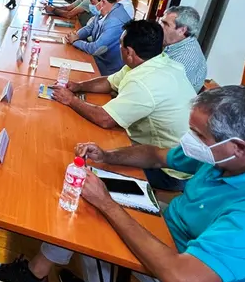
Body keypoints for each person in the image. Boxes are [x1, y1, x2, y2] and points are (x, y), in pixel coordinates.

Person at [0, 85, 245, 282]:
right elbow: (157, 155)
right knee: (92, 206)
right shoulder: (226, 154)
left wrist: (108, 204)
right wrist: (106, 156)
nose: (189, 140)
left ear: (240, 147)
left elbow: (181, 278)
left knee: (96, 216)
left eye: (198, 135)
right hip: (172, 230)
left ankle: (70, 281)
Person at [55, 19, 197, 190]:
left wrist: (71, 100)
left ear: (129, 52)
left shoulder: (145, 81)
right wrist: (79, 87)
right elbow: (109, 82)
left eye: (120, 45)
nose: (119, 48)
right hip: (157, 151)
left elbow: (105, 119)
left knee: (80, 161)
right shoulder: (156, 62)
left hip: (168, 170)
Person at [63, 0, 132, 75]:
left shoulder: (115, 21)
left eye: (92, 2)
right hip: (98, 59)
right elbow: (89, 28)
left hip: (108, 68)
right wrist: (76, 35)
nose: (91, 5)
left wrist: (75, 41)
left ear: (102, 2)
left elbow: (96, 49)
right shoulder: (104, 11)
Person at [160, 6, 208, 93]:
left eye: (165, 24)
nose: (160, 27)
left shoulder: (185, 58)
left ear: (181, 30)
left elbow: (161, 90)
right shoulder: (175, 43)